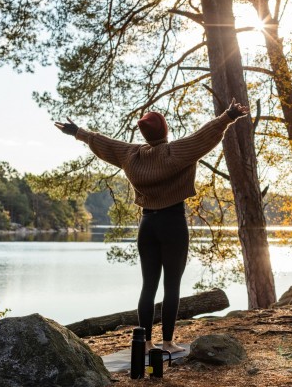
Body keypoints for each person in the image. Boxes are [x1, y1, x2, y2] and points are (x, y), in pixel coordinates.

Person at [55, 99, 249, 353]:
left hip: (147, 225)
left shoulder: (131, 155)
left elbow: (104, 144)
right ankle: (167, 342)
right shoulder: (177, 151)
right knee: (172, 286)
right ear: (165, 131)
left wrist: (77, 132)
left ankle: (145, 343)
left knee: (148, 286)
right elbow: (205, 135)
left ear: (144, 133)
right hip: (172, 223)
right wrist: (229, 116)